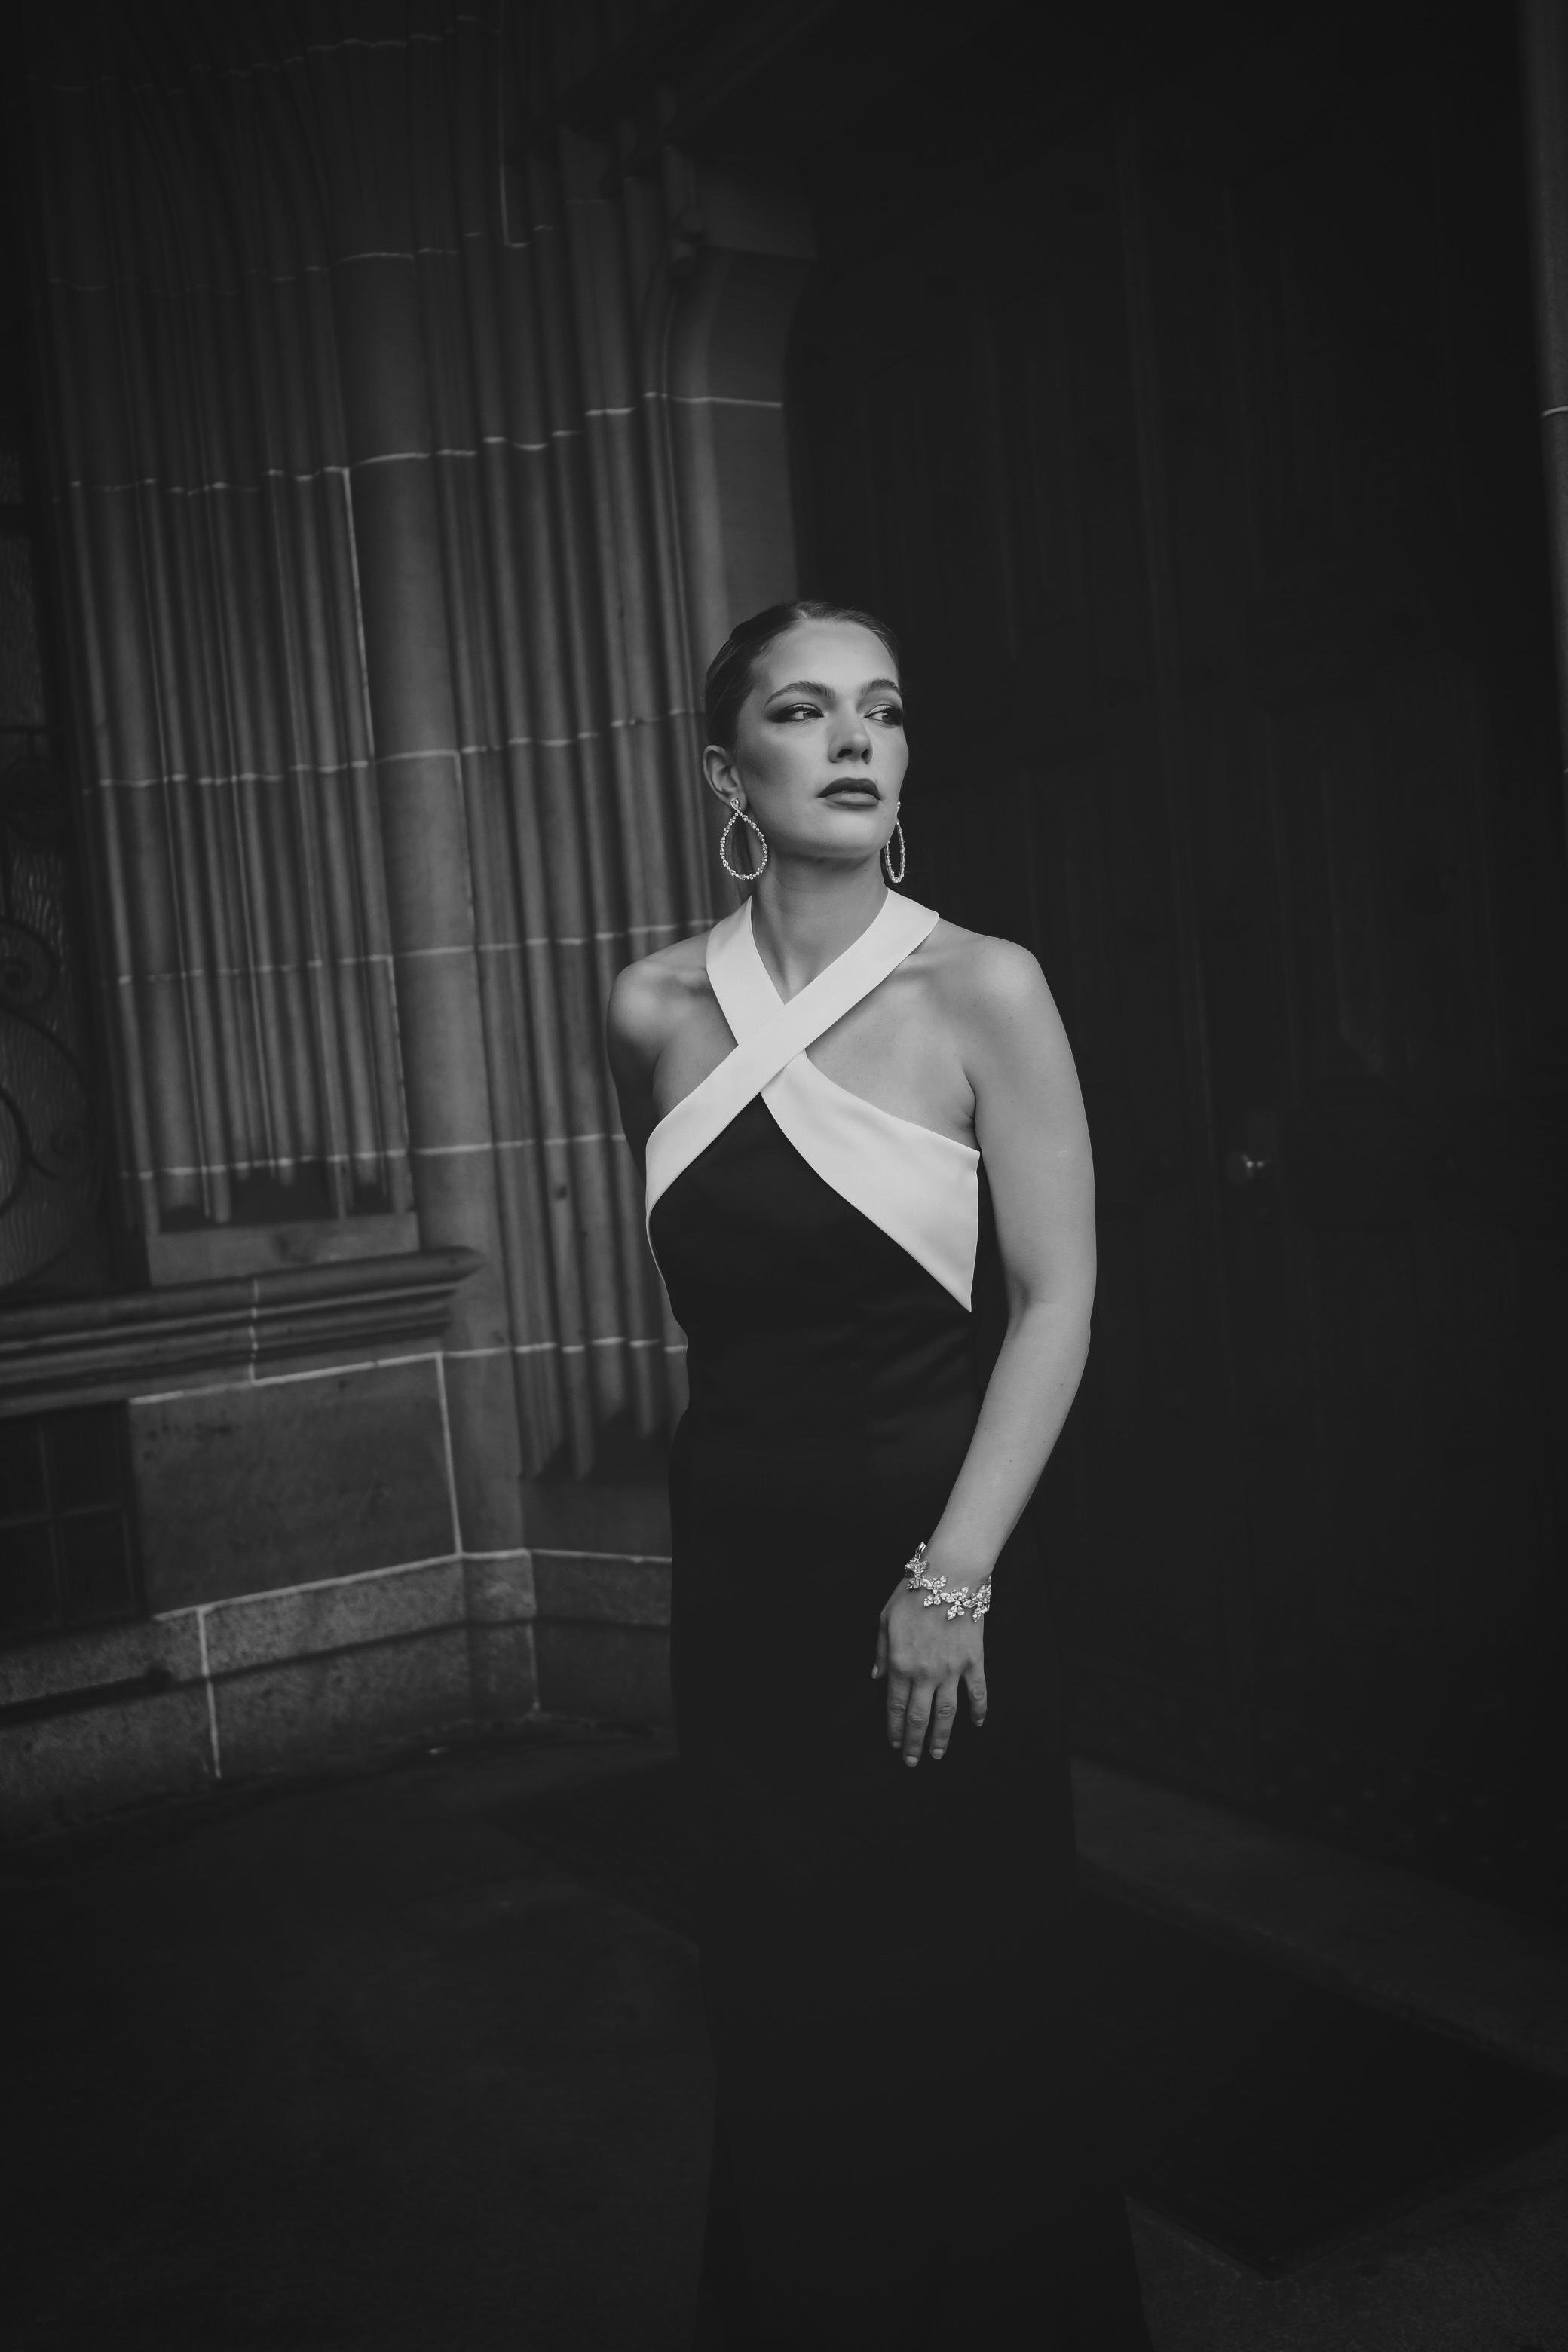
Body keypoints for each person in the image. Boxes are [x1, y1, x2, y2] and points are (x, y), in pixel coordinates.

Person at [607, 599, 1153, 2349]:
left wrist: (948, 1580)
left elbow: (1054, 1302)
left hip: (947, 1575)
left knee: (971, 2008)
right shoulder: (645, 1009)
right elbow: (738, 1311)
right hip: (744, 1593)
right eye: (802, 710)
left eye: (883, 712)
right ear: (727, 770)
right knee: (784, 2013)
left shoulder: (981, 986)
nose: (853, 740)